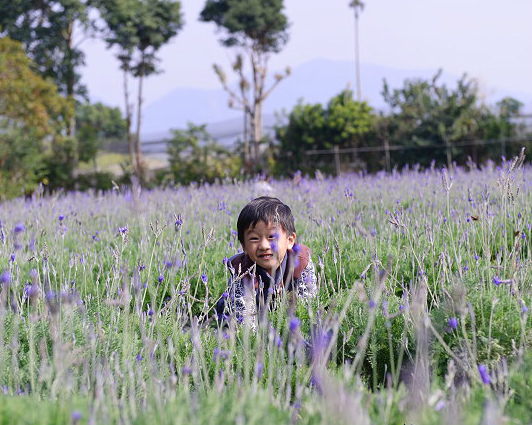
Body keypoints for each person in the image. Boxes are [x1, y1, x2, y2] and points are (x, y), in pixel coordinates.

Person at [216, 196, 317, 329]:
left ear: (290, 240)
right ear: (244, 246)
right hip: (249, 308)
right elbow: (244, 320)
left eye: (272, 237)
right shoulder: (241, 272)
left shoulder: (301, 261)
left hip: (283, 306)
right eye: (254, 238)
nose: (264, 245)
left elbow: (307, 306)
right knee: (227, 311)